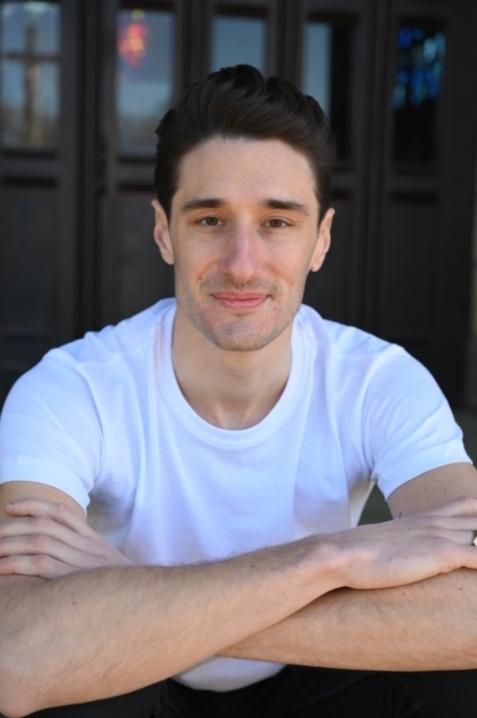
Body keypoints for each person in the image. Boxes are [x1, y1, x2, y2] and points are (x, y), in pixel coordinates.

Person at [1, 65, 477, 718]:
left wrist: (130, 594)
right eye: (209, 219)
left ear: (321, 239)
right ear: (164, 231)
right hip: (139, 685)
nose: (242, 264)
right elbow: (15, 656)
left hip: (317, 680)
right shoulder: (71, 388)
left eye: (277, 222)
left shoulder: (377, 380)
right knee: (67, 682)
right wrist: (333, 558)